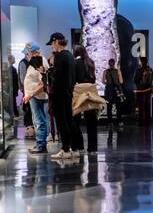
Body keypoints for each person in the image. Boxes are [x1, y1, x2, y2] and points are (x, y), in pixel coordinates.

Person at [45, 32, 80, 163]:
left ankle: (65, 149)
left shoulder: (59, 56)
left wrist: (49, 72)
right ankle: (74, 148)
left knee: (61, 121)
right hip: (68, 93)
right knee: (69, 120)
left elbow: (57, 77)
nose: (52, 47)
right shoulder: (70, 56)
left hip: (59, 93)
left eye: (52, 44)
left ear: (56, 42)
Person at [71, 43, 99, 155]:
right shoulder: (90, 62)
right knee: (92, 122)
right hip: (90, 92)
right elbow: (94, 79)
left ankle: (78, 145)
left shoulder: (74, 63)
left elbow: (72, 79)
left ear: (75, 51)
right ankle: (92, 148)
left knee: (75, 120)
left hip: (78, 93)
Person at [22, 47, 49, 154]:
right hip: (34, 97)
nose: (26, 55)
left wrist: (31, 94)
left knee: (39, 120)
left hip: (37, 96)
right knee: (38, 120)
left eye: (27, 53)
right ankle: (40, 143)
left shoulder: (40, 62)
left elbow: (43, 83)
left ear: (33, 52)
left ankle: (41, 144)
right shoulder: (34, 62)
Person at [103, 56, 125, 124]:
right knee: (118, 106)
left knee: (109, 106)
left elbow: (103, 81)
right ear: (114, 63)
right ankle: (119, 121)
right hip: (116, 90)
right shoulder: (118, 71)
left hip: (109, 90)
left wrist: (108, 82)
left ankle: (110, 122)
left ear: (109, 64)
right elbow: (121, 81)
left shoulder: (105, 71)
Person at [135, 55, 153, 125]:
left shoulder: (139, 70)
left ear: (141, 61)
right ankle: (147, 122)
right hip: (148, 90)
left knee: (141, 107)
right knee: (147, 106)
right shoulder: (150, 69)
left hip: (140, 90)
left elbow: (135, 80)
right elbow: (152, 78)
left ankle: (141, 122)